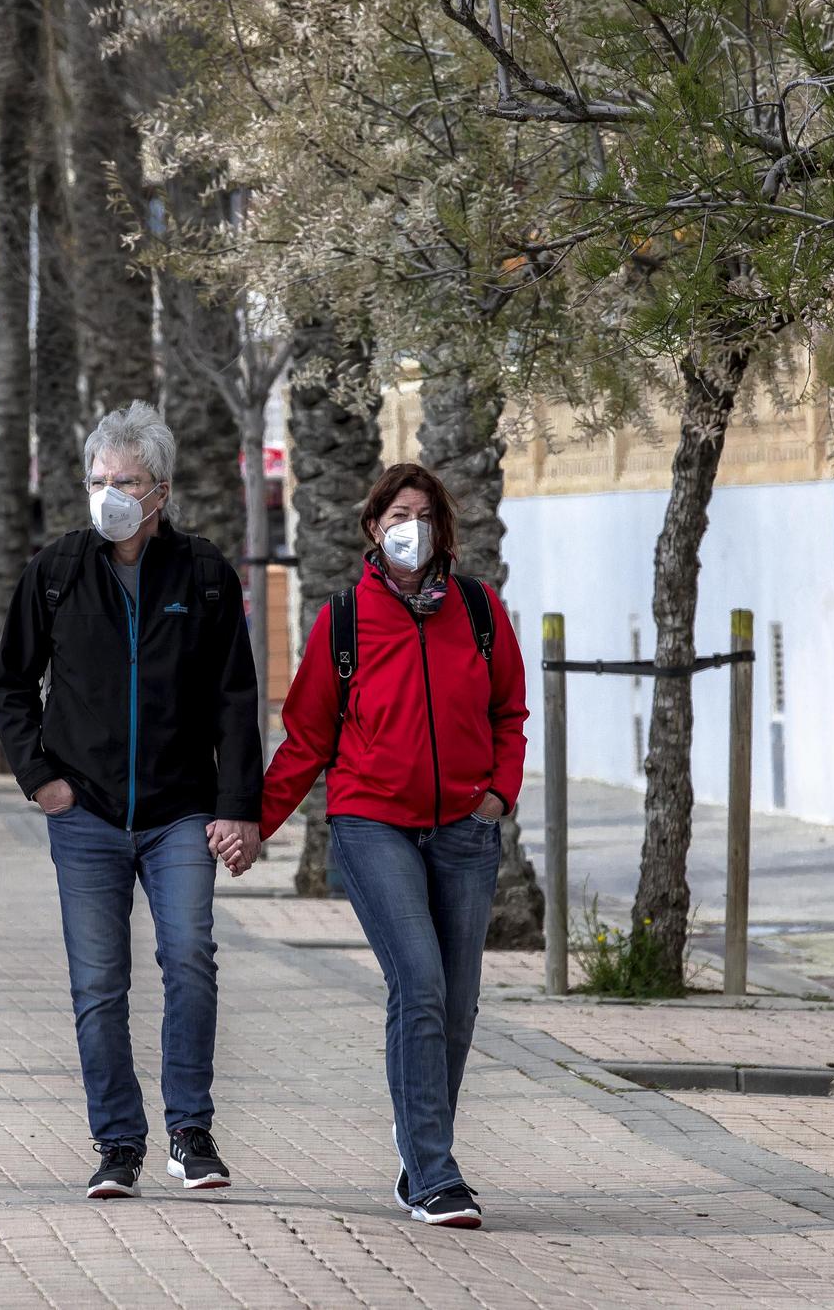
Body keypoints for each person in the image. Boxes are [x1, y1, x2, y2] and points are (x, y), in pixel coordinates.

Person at [239, 462, 527, 1230]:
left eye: (427, 515)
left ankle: (420, 1152)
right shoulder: (343, 622)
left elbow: (509, 711)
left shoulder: (478, 609)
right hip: (373, 825)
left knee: (458, 1005)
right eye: (401, 513)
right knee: (422, 985)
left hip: (466, 827)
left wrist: (501, 790)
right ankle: (435, 1174)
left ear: (443, 532)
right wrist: (255, 826)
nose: (414, 527)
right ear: (374, 526)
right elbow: (304, 740)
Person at [0, 401, 263, 1202]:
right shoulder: (58, 570)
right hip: (87, 816)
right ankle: (117, 1142)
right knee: (99, 983)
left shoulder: (205, 575)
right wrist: (41, 777)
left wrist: (237, 804)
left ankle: (190, 1131)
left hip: (181, 811)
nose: (111, 493)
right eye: (99, 480)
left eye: (127, 481)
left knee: (190, 959)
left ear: (161, 492)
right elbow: (9, 682)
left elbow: (236, 698)